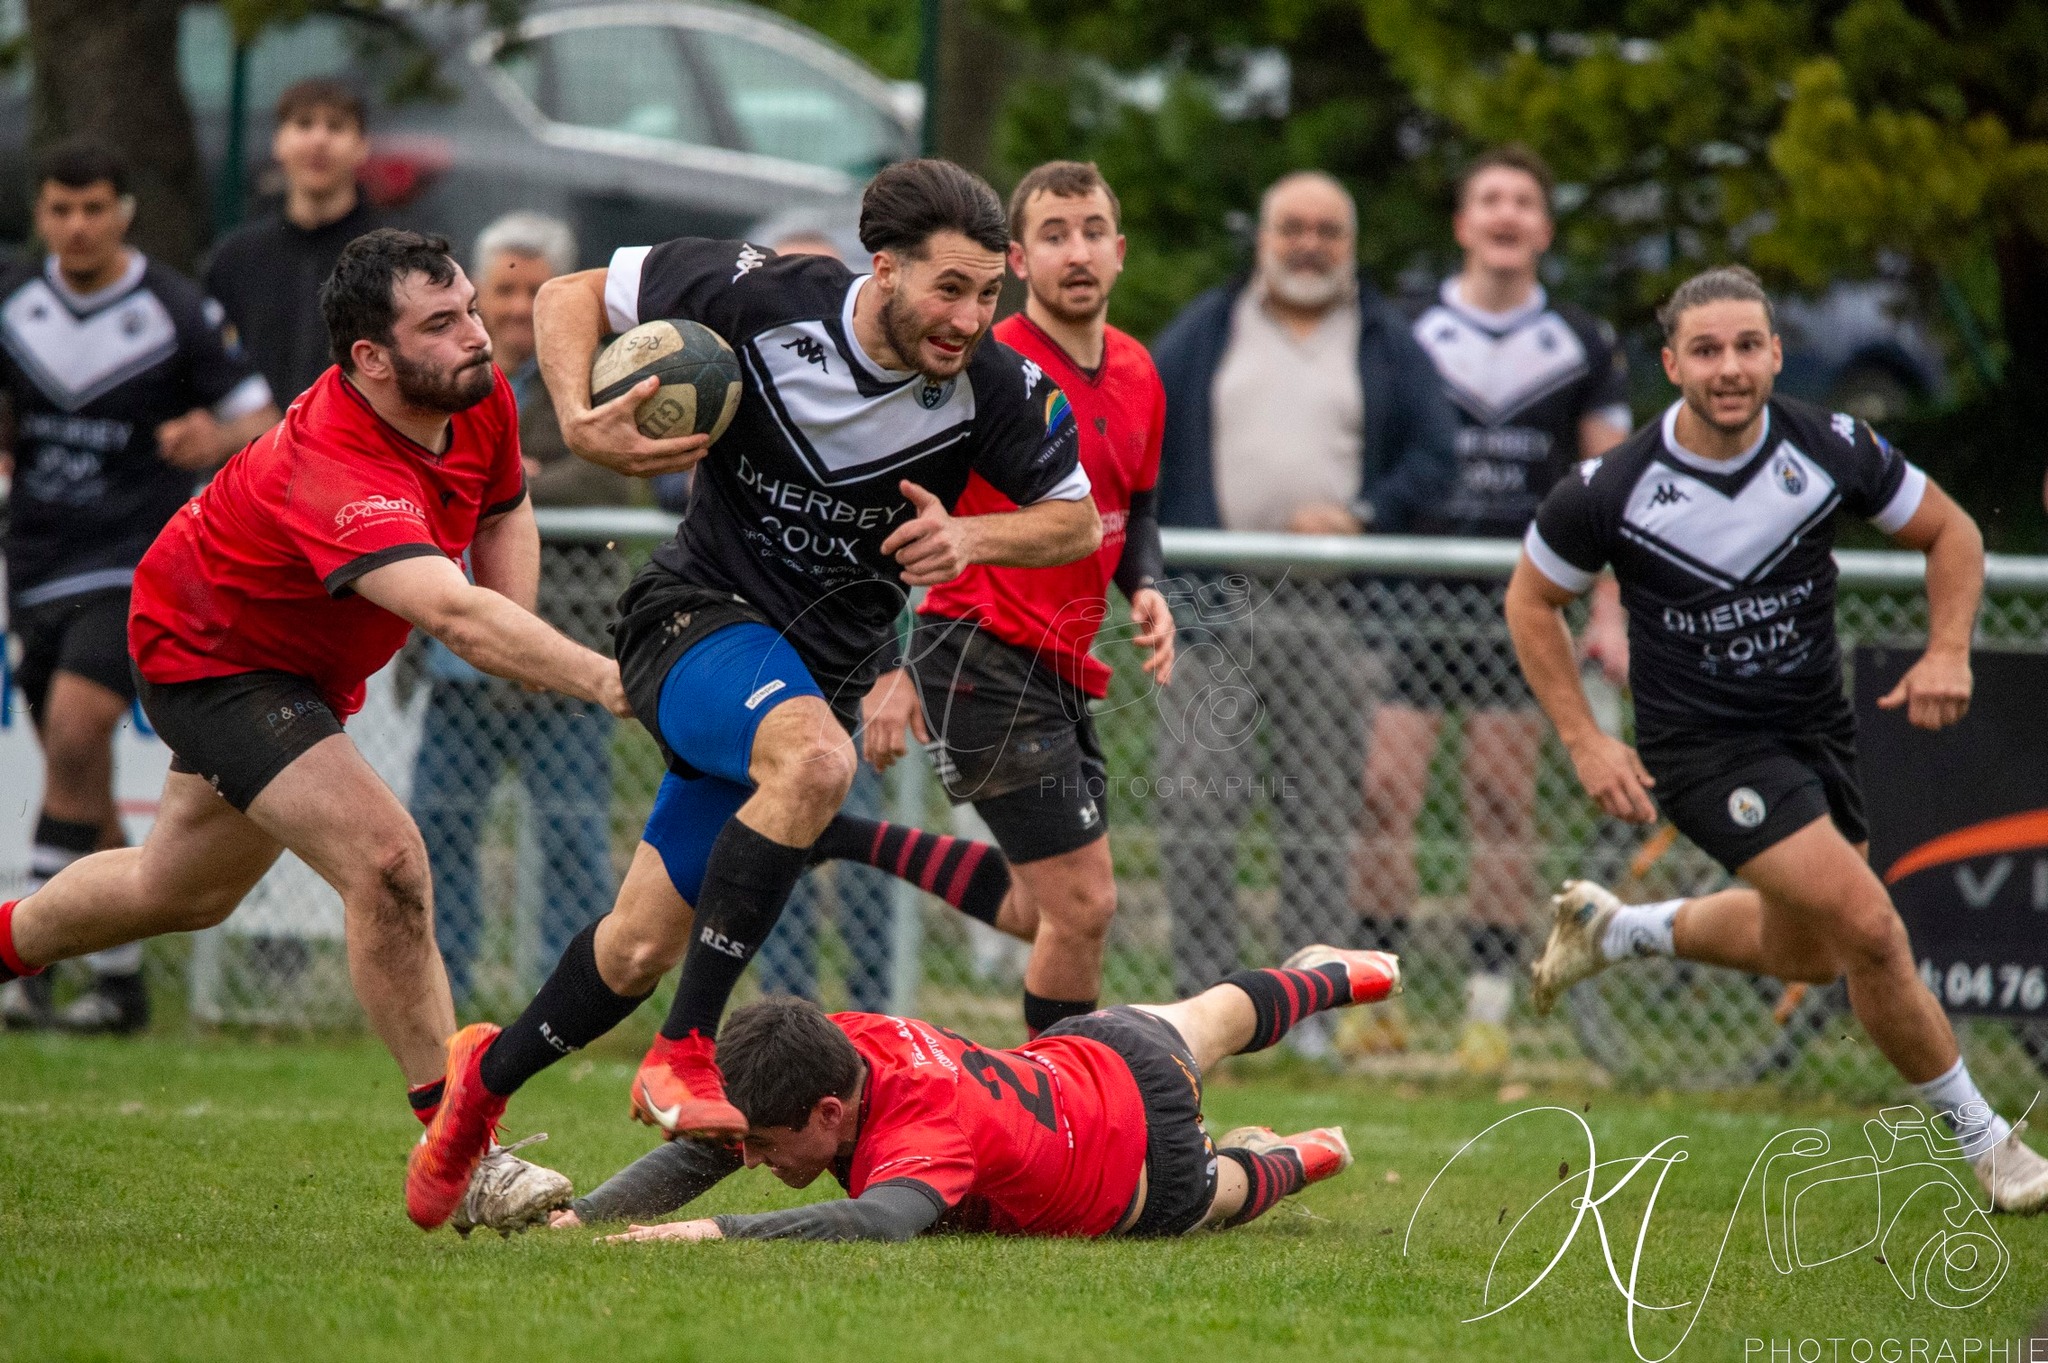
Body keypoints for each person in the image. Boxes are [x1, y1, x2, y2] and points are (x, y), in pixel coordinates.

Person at [404, 159, 1101, 1232]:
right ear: (883, 267)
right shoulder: (762, 294)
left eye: (987, 295)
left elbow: (1071, 518)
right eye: (948, 289)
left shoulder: (994, 390)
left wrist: (969, 534)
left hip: (794, 687)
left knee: (634, 945)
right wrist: (584, 420)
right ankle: (684, 1050)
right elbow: (563, 295)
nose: (968, 318)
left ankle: (474, 1091)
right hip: (690, 621)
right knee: (816, 764)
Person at [0, 231, 628, 1177]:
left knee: (180, 890)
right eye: (442, 322)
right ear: (371, 359)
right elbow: (453, 613)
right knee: (387, 862)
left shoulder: (473, 390)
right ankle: (465, 1155)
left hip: (298, 671)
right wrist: (608, 678)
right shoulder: (336, 460)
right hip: (206, 653)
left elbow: (502, 509)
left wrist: (523, 631)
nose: (475, 335)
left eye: (467, 308)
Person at [1511, 264, 2048, 1213]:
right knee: (1875, 928)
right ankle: (1990, 1146)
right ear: (1670, 362)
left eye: (1748, 346)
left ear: (1776, 353)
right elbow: (1530, 600)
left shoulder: (1831, 443)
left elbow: (1952, 534)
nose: (1730, 368)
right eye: (1707, 350)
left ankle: (1617, 927)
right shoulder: (1613, 486)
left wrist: (1950, 650)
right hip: (1706, 755)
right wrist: (1587, 742)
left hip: (1816, 733)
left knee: (1812, 952)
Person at [862, 160, 1174, 1038]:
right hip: (975, 645)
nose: (1076, 251)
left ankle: (840, 840)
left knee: (1047, 909)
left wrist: (1146, 587)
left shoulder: (1143, 371)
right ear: (1018, 260)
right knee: (1084, 905)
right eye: (1052, 233)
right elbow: (889, 518)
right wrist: (889, 670)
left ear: (1119, 251)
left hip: (1063, 662)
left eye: (1091, 231)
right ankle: (1064, 1116)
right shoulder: (981, 368)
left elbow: (1134, 507)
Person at [539, 943, 1398, 1241]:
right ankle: (1341, 975)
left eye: (764, 1145)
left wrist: (716, 1229)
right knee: (1211, 1014)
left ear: (829, 1114)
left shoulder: (920, 1138)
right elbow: (711, 1142)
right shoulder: (834, 1039)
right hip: (1100, 1051)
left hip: (1143, 1168)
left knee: (1228, 1188)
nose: (752, 1162)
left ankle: (1308, 1154)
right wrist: (585, 1213)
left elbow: (879, 1221)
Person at [1151, 170, 1456, 999]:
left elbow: (1437, 459)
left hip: (1333, 616)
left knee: (1321, 822)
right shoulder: (1207, 332)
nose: (1309, 245)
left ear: (1351, 247)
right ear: (1262, 238)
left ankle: (1304, 1009)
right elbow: (1141, 437)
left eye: (1327, 230)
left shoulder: (1387, 342)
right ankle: (1203, 1003)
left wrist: (1362, 512)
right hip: (1216, 612)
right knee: (1195, 812)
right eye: (1292, 228)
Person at [1362, 146, 1633, 1072]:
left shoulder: (1583, 342)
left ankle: (1487, 1012)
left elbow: (1611, 488)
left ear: (1544, 227)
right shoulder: (1407, 332)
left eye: (1525, 200)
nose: (1507, 215)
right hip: (1414, 598)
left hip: (1524, 602)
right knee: (1383, 794)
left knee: (1499, 801)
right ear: (1462, 222)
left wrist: (1609, 609)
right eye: (1490, 200)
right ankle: (1374, 1001)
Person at [0, 139, 279, 1033]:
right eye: (59, 210)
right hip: (37, 558)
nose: (76, 227)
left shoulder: (172, 307)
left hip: (136, 560)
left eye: (93, 209)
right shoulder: (14, 301)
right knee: (69, 773)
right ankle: (118, 986)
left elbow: (261, 418)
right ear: (40, 215)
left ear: (122, 212)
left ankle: (27, 967)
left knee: (79, 730)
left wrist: (212, 435)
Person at [406, 212, 634, 1005]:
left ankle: (569, 1004)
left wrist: (512, 482)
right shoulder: (436, 377)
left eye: (534, 291)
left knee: (572, 839)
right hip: (454, 661)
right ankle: (444, 997)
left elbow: (617, 478)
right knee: (438, 832)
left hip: (557, 654)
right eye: (501, 290)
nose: (513, 309)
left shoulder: (595, 374)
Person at [205, 79, 382, 406]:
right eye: (304, 124)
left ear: (362, 146)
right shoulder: (237, 257)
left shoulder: (395, 258)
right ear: (278, 142)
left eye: (336, 127)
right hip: (256, 449)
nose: (319, 140)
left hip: (358, 449)